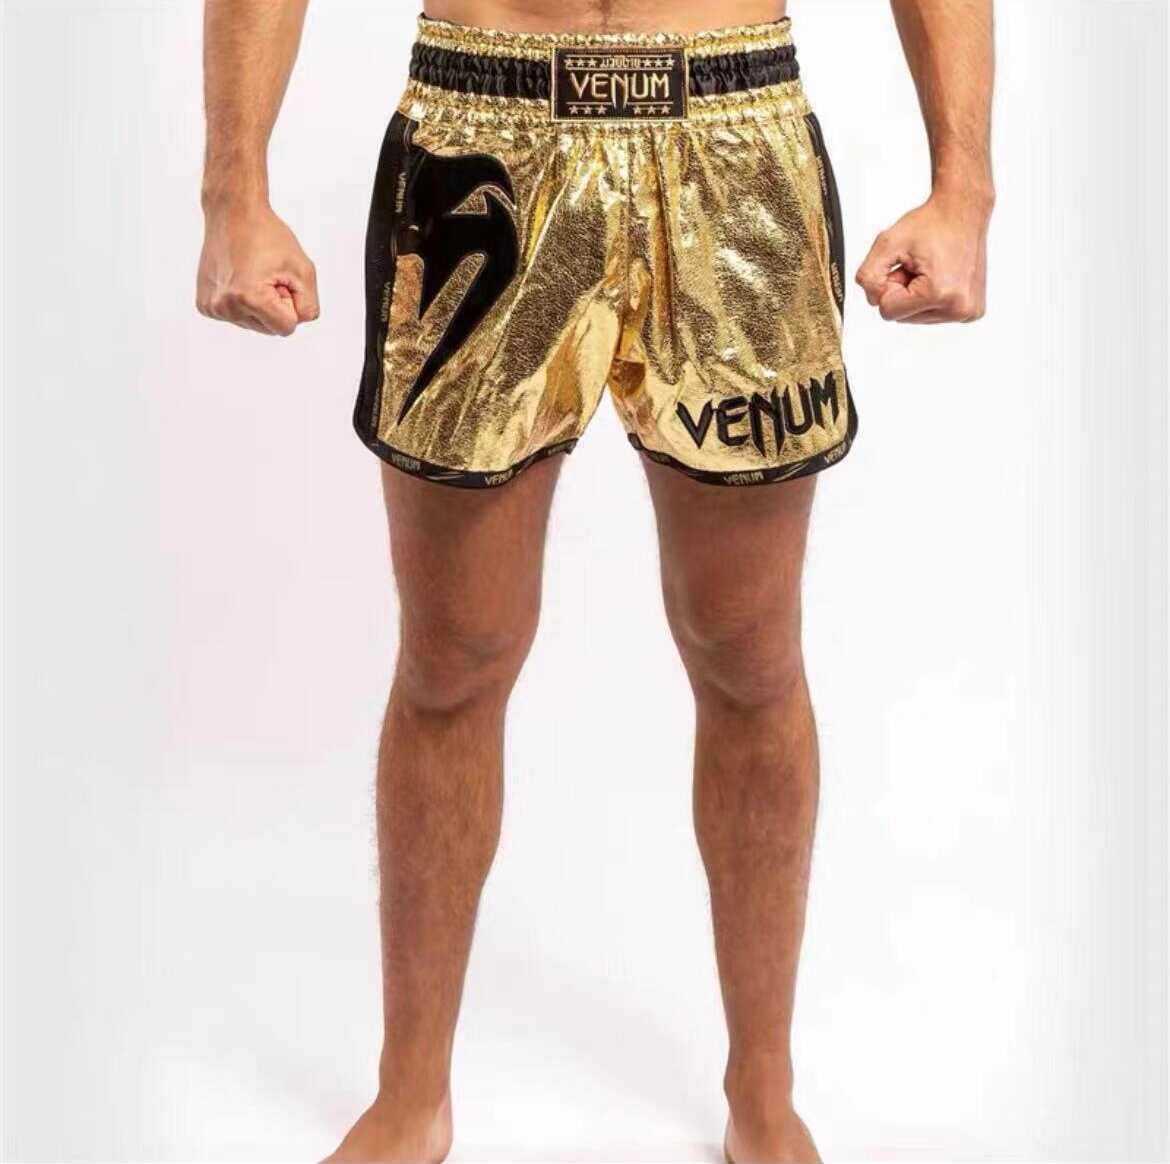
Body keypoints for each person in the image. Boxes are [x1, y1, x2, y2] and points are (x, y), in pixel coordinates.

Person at [196, 0, 993, 1159]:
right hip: (482, 141)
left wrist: (964, 187)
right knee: (452, 660)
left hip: (734, 133)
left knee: (750, 655)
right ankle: (411, 1099)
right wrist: (233, 188)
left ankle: (763, 1094)